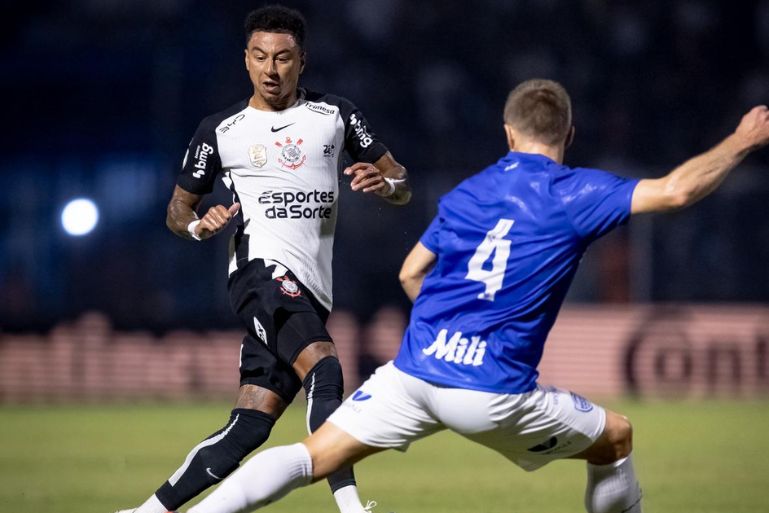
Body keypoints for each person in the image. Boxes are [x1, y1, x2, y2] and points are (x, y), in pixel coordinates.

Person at [179, 79, 769, 513]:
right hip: (490, 393)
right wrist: (742, 140)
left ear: (508, 134)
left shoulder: (469, 192)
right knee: (615, 436)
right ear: (568, 132)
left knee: (313, 455)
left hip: (413, 373)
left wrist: (448, 331)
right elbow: (674, 192)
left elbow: (412, 273)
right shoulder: (576, 193)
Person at [117, 5, 410, 513]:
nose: (270, 70)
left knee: (249, 425)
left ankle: (145, 512)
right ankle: (350, 508)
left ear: (302, 62)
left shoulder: (336, 115)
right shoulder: (221, 130)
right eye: (259, 57)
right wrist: (196, 224)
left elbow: (402, 184)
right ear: (245, 62)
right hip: (260, 276)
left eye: (282, 58)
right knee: (326, 369)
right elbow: (176, 207)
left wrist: (386, 185)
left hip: (312, 289)